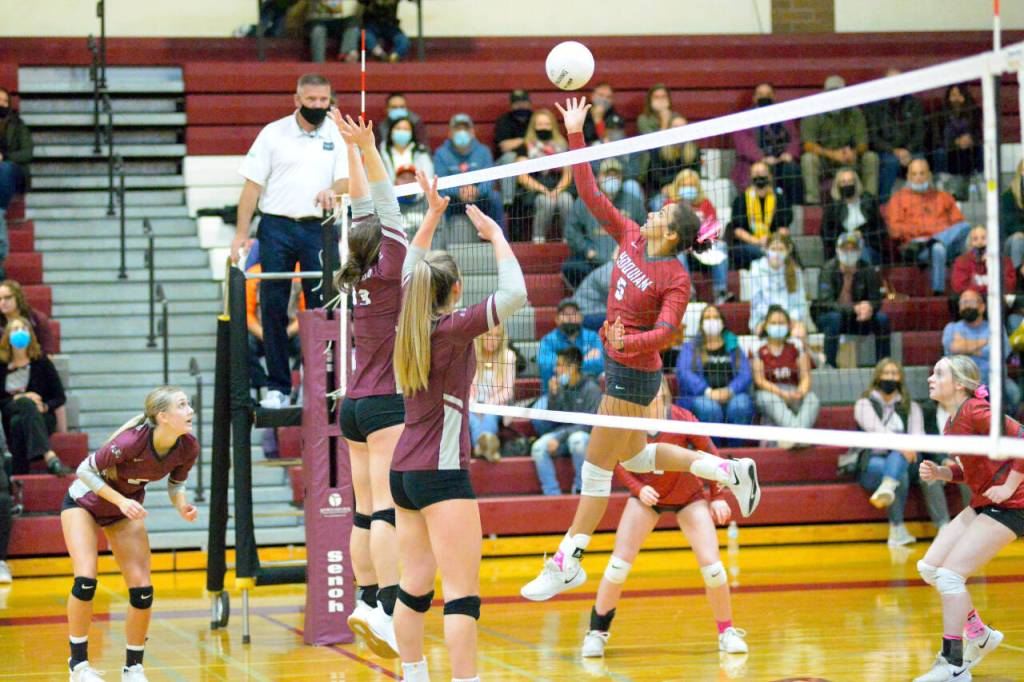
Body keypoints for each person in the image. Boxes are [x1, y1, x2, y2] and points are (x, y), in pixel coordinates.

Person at [521, 97, 760, 602]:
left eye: (662, 212)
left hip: (634, 375)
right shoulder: (631, 235)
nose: (651, 210)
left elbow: (668, 334)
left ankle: (567, 561)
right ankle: (725, 469)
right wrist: (575, 133)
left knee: (595, 467)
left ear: (670, 234)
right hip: (620, 367)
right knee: (639, 456)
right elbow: (589, 193)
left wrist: (628, 340)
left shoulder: (676, 278)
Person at [389, 196, 528, 682]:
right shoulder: (451, 329)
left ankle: (414, 675)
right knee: (462, 595)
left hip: (403, 472)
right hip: (441, 473)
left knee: (413, 587)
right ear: (457, 289)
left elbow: (409, 267)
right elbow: (515, 294)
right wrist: (497, 236)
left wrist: (430, 217)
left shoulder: (406, 320)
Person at [332, 114, 438, 659]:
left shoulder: (356, 263)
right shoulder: (394, 259)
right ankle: (389, 610)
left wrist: (352, 151)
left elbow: (362, 206)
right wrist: (369, 147)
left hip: (353, 403)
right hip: (386, 404)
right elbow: (381, 199)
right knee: (387, 514)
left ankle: (366, 600)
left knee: (364, 511)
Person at [582, 379, 747, 659]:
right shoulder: (628, 421)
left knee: (713, 568)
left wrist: (718, 496)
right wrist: (637, 488)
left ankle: (727, 632)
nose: (652, 395)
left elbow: (711, 455)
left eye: (657, 390)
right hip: (647, 499)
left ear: (664, 393)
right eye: (646, 390)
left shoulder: (682, 418)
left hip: (688, 497)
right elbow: (615, 461)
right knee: (618, 566)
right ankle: (596, 633)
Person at [61, 386, 199, 682]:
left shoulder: (188, 446)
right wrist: (122, 501)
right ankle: (78, 667)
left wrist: (182, 506)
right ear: (163, 416)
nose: (190, 411)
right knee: (85, 580)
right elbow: (84, 470)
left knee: (142, 589)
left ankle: (133, 669)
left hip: (123, 510)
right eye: (182, 405)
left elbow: (176, 484)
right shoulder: (131, 441)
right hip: (84, 503)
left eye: (188, 404)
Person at [230, 73, 350, 410]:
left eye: (323, 100)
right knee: (272, 305)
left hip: (319, 227)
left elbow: (346, 179)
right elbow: (251, 187)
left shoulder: (337, 133)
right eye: (311, 100)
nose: (317, 106)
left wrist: (333, 190)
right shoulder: (273, 133)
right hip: (276, 227)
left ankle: (324, 385)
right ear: (297, 100)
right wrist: (241, 234)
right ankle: (278, 388)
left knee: (325, 306)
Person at [913, 355, 1024, 682]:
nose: (930, 378)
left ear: (960, 384)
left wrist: (1009, 485)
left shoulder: (977, 411)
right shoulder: (951, 422)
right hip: (984, 500)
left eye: (939, 373)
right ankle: (979, 634)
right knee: (930, 568)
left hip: (1013, 504)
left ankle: (953, 665)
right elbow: (973, 470)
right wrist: (943, 472)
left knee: (950, 576)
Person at [853, 358, 929, 547]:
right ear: (878, 376)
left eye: (894, 373)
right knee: (899, 474)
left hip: (908, 459)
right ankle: (897, 530)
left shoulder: (911, 406)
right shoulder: (864, 404)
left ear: (900, 378)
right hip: (872, 461)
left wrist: (906, 448)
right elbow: (877, 431)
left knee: (898, 461)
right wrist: (902, 446)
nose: (890, 377)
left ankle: (888, 486)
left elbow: (918, 436)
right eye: (886, 373)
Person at [884, 158, 970, 295]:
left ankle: (936, 240)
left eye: (922, 173)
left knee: (965, 226)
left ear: (929, 175)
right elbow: (894, 230)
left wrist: (936, 236)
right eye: (914, 174)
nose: (918, 178)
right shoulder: (898, 199)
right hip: (918, 248)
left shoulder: (944, 197)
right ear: (908, 177)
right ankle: (938, 291)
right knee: (938, 248)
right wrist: (924, 230)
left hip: (949, 246)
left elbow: (959, 224)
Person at [674, 305, 754, 448]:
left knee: (741, 404)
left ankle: (735, 450)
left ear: (722, 322)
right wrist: (707, 391)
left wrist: (730, 390)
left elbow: (745, 373)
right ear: (701, 324)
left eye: (716, 317)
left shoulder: (733, 345)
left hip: (732, 395)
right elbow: (684, 373)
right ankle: (714, 450)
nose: (712, 321)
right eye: (707, 318)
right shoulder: (690, 347)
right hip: (701, 396)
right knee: (709, 408)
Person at [562, 158, 645, 288]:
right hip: (593, 260)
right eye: (607, 174)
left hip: (627, 261)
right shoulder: (585, 200)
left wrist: (631, 250)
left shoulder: (633, 201)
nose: (612, 179)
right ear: (599, 177)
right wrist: (587, 250)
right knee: (571, 267)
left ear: (621, 178)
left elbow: (644, 229)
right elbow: (571, 230)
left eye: (616, 175)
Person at [0, 318, 68, 475]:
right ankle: (49, 456)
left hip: (41, 416)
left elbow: (60, 397)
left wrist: (45, 406)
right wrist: (19, 398)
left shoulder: (42, 362)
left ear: (30, 335)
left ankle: (19, 475)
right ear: (8, 336)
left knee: (18, 423)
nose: (20, 332)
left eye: (24, 329)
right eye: (15, 329)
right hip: (9, 410)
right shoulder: (1, 366)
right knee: (24, 402)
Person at [814, 231, 891, 368]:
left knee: (882, 320)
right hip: (832, 318)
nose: (849, 253)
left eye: (853, 249)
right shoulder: (828, 269)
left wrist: (869, 307)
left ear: (860, 251)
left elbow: (876, 299)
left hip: (858, 318)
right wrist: (854, 308)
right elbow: (826, 302)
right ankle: (830, 364)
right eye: (845, 249)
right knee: (834, 318)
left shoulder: (868, 270)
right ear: (837, 250)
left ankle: (883, 364)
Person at [531, 347, 602, 496]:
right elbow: (553, 420)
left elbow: (588, 425)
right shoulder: (561, 387)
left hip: (583, 438)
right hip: (562, 436)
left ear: (573, 367)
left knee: (577, 440)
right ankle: (552, 494)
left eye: (559, 365)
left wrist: (559, 437)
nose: (555, 369)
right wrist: (553, 395)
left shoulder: (592, 390)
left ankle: (580, 488)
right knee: (538, 448)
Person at [800, 75, 879, 205]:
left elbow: (863, 142)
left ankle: (869, 200)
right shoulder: (814, 111)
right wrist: (832, 154)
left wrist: (854, 152)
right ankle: (813, 201)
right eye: (831, 93)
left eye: (838, 92)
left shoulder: (854, 112)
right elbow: (808, 144)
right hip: (824, 160)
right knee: (808, 159)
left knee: (871, 157)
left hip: (849, 158)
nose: (834, 96)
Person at [751, 305, 820, 446]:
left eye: (781, 323)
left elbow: (806, 377)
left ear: (788, 326)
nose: (777, 326)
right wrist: (781, 394)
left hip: (794, 391)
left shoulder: (796, 346)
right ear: (765, 326)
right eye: (773, 323)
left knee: (812, 399)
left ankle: (794, 438)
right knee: (767, 399)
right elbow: (759, 381)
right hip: (771, 392)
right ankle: (800, 436)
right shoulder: (757, 347)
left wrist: (800, 392)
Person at [941, 289, 1018, 412]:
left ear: (982, 307)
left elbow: (1001, 353)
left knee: (1013, 393)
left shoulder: (995, 327)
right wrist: (986, 342)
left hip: (994, 382)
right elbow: (953, 349)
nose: (966, 305)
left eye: (971, 302)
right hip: (962, 385)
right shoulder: (951, 328)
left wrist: (964, 347)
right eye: (963, 302)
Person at [433, 113, 505, 238]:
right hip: (453, 200)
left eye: (465, 129)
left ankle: (501, 240)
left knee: (495, 198)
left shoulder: (483, 151)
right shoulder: (441, 153)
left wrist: (477, 191)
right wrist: (458, 192)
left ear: (472, 132)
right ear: (450, 133)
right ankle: (440, 243)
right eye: (457, 129)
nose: (462, 132)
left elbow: (490, 180)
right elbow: (440, 182)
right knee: (439, 200)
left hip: (478, 198)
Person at [732, 83, 802, 204]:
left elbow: (794, 138)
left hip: (781, 161)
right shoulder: (744, 118)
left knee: (791, 170)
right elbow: (743, 143)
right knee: (760, 172)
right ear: (754, 98)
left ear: (774, 96)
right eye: (760, 94)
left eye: (768, 94)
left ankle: (793, 206)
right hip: (755, 162)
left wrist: (789, 154)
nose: (764, 97)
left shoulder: (784, 116)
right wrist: (762, 158)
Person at [244, 251, 304, 392]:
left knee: (307, 343)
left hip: (290, 331)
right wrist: (265, 334)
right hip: (261, 331)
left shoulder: (299, 273)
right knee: (242, 344)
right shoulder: (254, 274)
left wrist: (287, 332)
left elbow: (306, 312)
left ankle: (295, 381)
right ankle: (262, 383)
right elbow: (246, 314)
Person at [864, 68, 926, 202]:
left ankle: (922, 202)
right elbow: (873, 137)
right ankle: (883, 202)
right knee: (891, 162)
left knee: (920, 162)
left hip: (910, 151)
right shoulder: (875, 106)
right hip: (886, 152)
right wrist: (893, 150)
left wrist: (908, 150)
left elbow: (919, 132)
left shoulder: (913, 104)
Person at [516, 109, 574, 244]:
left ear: (553, 126)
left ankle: (569, 239)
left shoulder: (562, 146)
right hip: (534, 190)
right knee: (546, 202)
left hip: (558, 187)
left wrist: (557, 191)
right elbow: (522, 177)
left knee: (566, 200)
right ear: (533, 127)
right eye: (540, 124)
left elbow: (568, 173)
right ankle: (538, 239)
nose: (543, 128)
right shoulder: (525, 146)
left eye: (547, 124)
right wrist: (543, 190)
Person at [728, 161, 793, 270]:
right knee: (753, 252)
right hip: (748, 244)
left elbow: (784, 229)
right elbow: (738, 230)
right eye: (755, 173)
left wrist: (770, 242)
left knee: (786, 250)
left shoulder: (780, 199)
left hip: (775, 244)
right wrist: (757, 241)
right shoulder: (740, 200)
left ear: (770, 176)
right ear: (750, 177)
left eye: (762, 172)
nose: (759, 176)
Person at [748, 233, 809, 342]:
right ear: (766, 249)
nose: (777, 253)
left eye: (780, 249)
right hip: (763, 318)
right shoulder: (756, 268)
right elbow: (756, 303)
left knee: (799, 333)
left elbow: (801, 302)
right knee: (765, 332)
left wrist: (789, 319)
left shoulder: (796, 270)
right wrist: (773, 317)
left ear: (787, 250)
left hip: (790, 318)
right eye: (773, 249)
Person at [469, 324, 516, 463]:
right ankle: (487, 450)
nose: (492, 340)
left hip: (496, 404)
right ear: (481, 336)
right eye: (488, 335)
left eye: (497, 336)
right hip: (472, 403)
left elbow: (507, 390)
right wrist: (474, 405)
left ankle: (480, 450)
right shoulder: (470, 354)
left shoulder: (508, 356)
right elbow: (464, 386)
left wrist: (488, 405)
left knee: (489, 417)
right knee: (473, 420)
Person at [0, 88, 33, 280]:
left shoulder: (17, 124)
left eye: (4, 101)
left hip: (12, 173)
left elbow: (28, 153)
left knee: (4, 169)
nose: (1, 105)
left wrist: (5, 157)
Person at [821, 167, 885, 263]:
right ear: (837, 186)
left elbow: (880, 230)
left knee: (860, 253)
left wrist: (861, 234)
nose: (847, 185)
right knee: (849, 252)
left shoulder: (869, 202)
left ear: (856, 183)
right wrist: (845, 238)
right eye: (843, 182)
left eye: (850, 181)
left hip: (868, 247)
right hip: (842, 248)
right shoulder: (832, 207)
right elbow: (826, 233)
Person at [536, 299, 604, 389]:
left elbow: (600, 364)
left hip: (587, 393)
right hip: (556, 393)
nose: (570, 317)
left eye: (574, 313)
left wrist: (562, 365)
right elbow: (545, 365)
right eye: (565, 314)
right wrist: (583, 360)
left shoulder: (592, 337)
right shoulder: (548, 340)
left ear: (581, 318)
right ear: (557, 319)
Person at [934, 84, 982, 199]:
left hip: (969, 149)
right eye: (953, 95)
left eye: (959, 95)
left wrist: (970, 139)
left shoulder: (974, 111)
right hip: (949, 149)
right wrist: (955, 142)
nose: (956, 98)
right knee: (939, 153)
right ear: (948, 97)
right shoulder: (940, 114)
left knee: (981, 151)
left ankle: (979, 181)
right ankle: (943, 185)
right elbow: (937, 138)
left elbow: (978, 134)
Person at [950, 225, 1015, 297]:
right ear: (970, 243)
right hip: (973, 298)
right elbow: (959, 287)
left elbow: (1009, 286)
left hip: (997, 299)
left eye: (984, 238)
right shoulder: (962, 261)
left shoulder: (1005, 261)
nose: (980, 242)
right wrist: (987, 289)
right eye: (975, 239)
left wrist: (992, 266)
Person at [0, 279, 57, 356]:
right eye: (0, 299)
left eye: (8, 298)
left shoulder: (38, 320)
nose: (3, 302)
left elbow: (48, 353)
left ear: (18, 297)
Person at [343, 0, 409, 62]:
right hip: (372, 25)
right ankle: (380, 54)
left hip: (390, 26)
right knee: (365, 35)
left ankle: (394, 56)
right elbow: (360, 8)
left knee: (404, 41)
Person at [573, 258, 613, 331]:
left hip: (597, 311)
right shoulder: (608, 271)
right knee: (620, 320)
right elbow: (616, 297)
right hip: (586, 313)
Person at [998, 158, 1024, 273]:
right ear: (1021, 172)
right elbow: (1009, 223)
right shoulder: (1008, 196)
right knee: (1017, 240)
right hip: (1010, 239)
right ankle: (1017, 278)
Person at [493, 89, 533, 160]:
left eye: (524, 102)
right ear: (511, 105)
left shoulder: (535, 117)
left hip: (533, 153)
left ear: (529, 104)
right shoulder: (504, 121)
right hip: (511, 157)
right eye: (517, 103)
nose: (521, 106)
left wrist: (518, 141)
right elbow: (504, 147)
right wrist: (528, 140)